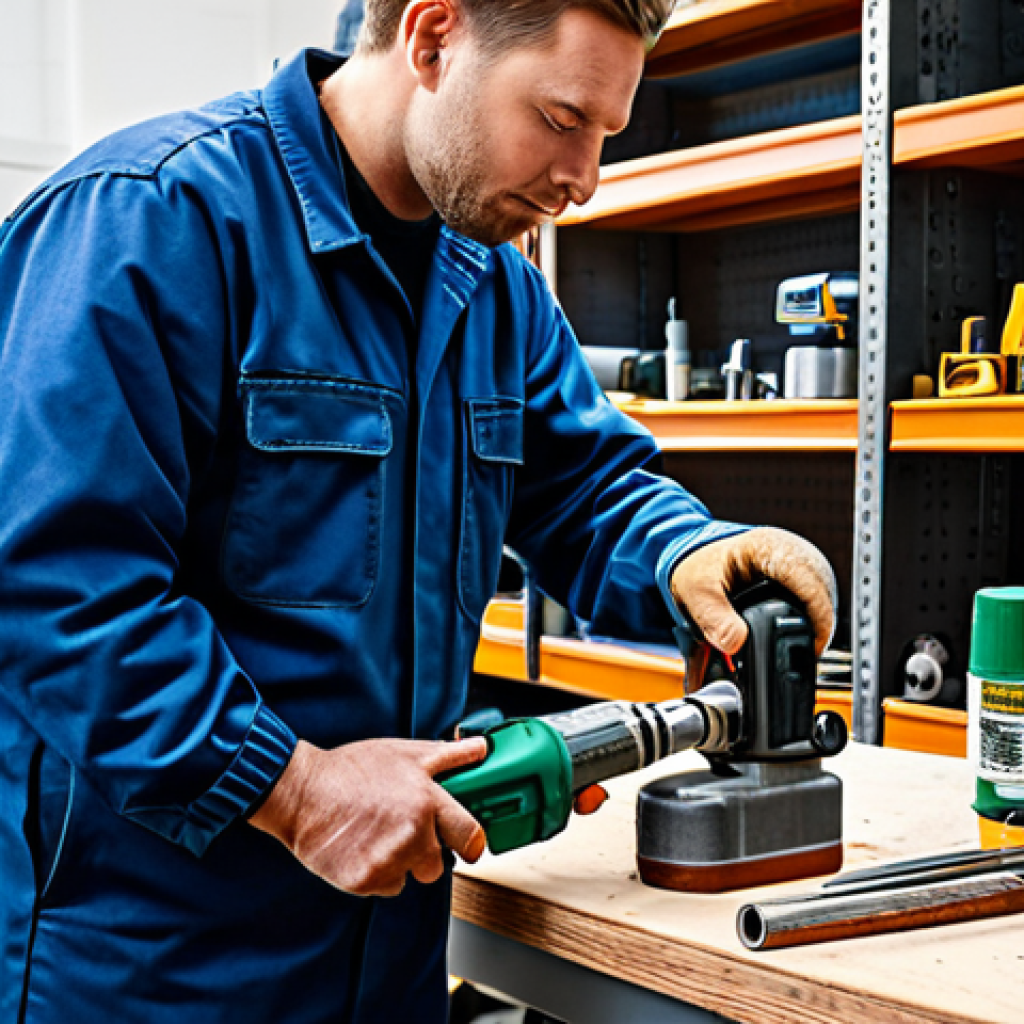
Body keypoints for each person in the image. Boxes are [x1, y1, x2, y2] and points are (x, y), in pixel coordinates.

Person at [0, 1, 837, 1020]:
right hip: (150, 972)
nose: (583, 180)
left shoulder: (493, 286)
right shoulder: (152, 219)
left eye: (604, 136)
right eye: (562, 119)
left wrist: (685, 553)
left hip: (388, 957)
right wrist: (292, 789)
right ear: (434, 37)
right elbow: (56, 584)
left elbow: (582, 487)